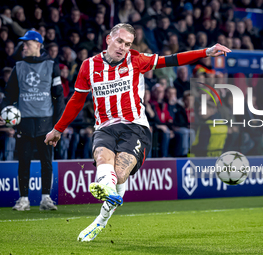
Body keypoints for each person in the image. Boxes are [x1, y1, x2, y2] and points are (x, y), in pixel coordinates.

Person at [44, 23, 231, 242]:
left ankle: (100, 220)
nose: (123, 47)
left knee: (120, 174)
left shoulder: (136, 60)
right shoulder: (88, 66)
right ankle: (105, 187)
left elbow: (171, 59)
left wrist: (206, 52)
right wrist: (58, 129)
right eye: (120, 41)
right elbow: (76, 100)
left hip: (135, 128)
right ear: (108, 39)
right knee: (103, 157)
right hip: (104, 127)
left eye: (128, 43)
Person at [4, 30, 64, 211]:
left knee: (47, 161)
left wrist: (58, 124)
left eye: (28, 43)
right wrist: (2, 111)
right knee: (24, 161)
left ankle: (46, 199)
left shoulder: (52, 66)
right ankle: (24, 200)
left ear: (38, 45)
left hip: (46, 124)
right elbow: (9, 95)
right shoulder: (18, 67)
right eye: (23, 43)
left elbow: (59, 96)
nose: (24, 46)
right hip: (24, 123)